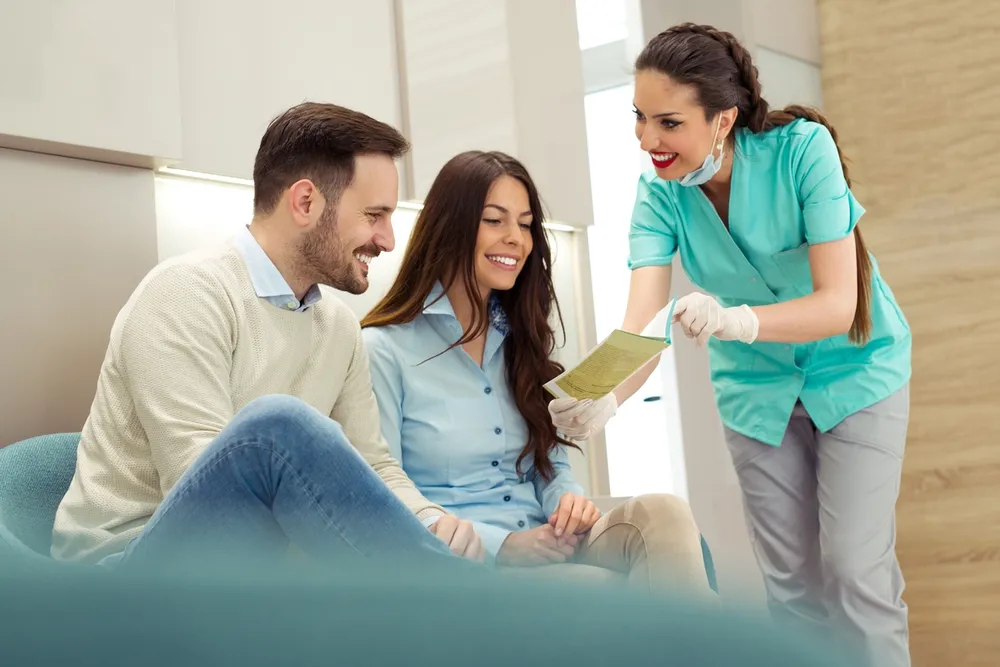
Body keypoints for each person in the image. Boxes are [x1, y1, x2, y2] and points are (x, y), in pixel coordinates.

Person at [548, 23, 912, 666]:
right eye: (639, 118)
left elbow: (839, 303)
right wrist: (602, 398)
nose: (647, 140)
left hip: (857, 372)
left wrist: (738, 321)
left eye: (668, 122)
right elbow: (641, 324)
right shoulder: (659, 195)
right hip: (756, 395)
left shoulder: (803, 152)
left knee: (856, 570)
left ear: (723, 119)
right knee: (792, 590)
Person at [51, 102, 484, 569]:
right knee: (275, 427)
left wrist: (429, 522)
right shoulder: (184, 293)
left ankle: (443, 589)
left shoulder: (339, 327)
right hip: (125, 570)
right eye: (374, 215)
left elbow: (375, 466)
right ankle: (447, 595)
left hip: (246, 575)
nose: (388, 240)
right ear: (305, 202)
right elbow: (207, 491)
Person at [359, 150, 712, 596]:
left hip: (554, 541)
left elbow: (550, 465)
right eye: (495, 220)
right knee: (603, 589)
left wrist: (567, 502)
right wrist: (503, 547)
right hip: (467, 568)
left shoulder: (521, 341)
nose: (516, 239)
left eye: (525, 225)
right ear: (450, 226)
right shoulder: (382, 350)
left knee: (666, 514)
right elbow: (384, 495)